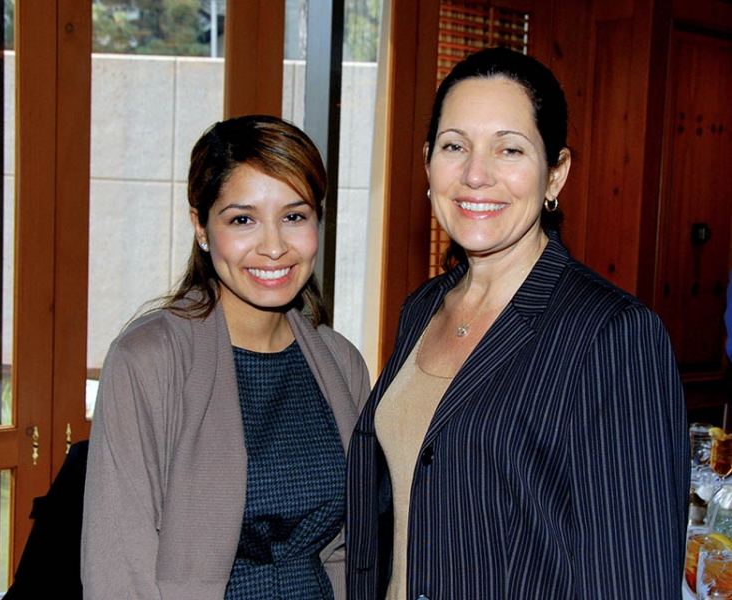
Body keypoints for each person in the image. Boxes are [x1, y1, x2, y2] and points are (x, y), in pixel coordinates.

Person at [346, 47, 689, 600]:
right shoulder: (422, 308)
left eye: (509, 149)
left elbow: (633, 574)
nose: (475, 174)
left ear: (556, 173)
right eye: (455, 146)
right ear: (428, 162)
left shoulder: (613, 334)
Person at [82, 115, 371, 600]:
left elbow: (355, 547)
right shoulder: (148, 360)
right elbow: (118, 568)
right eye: (243, 219)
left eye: (294, 217)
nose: (274, 247)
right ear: (201, 226)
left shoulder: (340, 363)